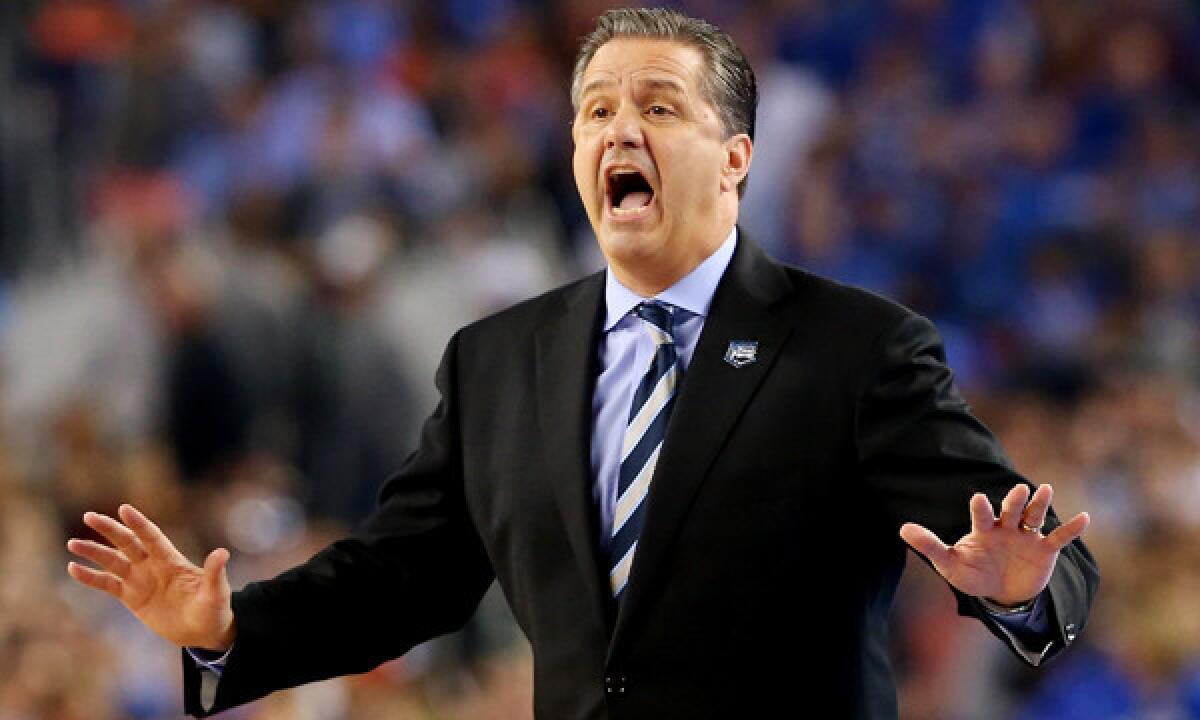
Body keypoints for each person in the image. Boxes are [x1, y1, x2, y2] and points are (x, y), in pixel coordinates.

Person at [67, 8, 1099, 719]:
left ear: (736, 155)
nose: (619, 128)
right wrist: (228, 631)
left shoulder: (856, 348)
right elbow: (402, 579)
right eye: (596, 108)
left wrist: (1018, 592)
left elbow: (1029, 548)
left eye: (657, 106)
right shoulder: (496, 360)